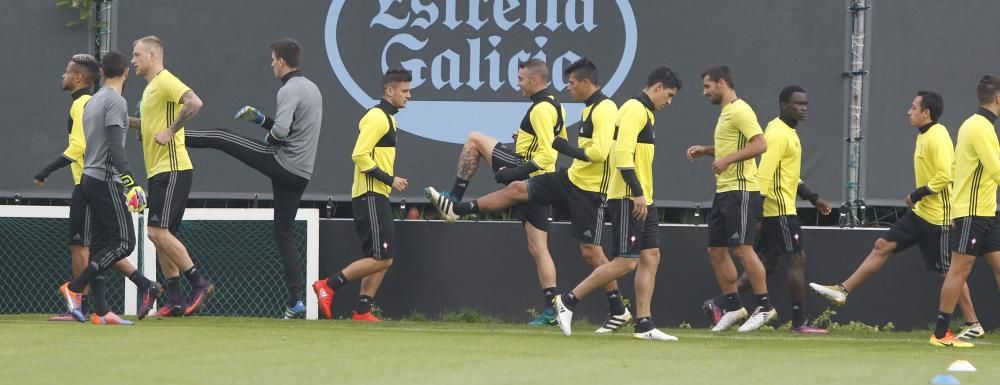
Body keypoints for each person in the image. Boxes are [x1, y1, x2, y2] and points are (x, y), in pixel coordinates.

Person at [426, 58, 630, 330]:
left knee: (476, 141)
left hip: (550, 177)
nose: (518, 83)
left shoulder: (558, 109)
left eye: (521, 79)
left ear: (535, 81)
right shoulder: (562, 107)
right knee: (539, 246)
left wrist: (516, 170)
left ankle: (454, 202)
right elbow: (555, 144)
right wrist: (527, 140)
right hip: (559, 177)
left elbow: (552, 154)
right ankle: (556, 307)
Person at [811, 90, 982, 338]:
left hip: (940, 220)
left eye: (913, 107)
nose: (908, 111)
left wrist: (917, 194)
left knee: (949, 272)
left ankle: (973, 323)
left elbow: (946, 175)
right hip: (920, 215)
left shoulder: (939, 136)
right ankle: (843, 290)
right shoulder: (923, 136)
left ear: (927, 112)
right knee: (882, 245)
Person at [186, 38, 322, 319]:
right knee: (283, 233)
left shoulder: (289, 89)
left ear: (282, 61)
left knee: (222, 137)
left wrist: (269, 135)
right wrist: (260, 119)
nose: (271, 63)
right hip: (301, 174)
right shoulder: (312, 88)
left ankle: (172, 136)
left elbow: (282, 133)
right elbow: (293, 130)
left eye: (273, 59)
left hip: (283, 163)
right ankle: (296, 302)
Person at [552, 66, 682, 340]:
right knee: (626, 262)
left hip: (644, 197)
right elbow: (622, 155)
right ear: (657, 87)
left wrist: (643, 194)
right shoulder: (634, 109)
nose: (669, 102)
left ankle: (644, 324)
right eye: (669, 95)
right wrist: (636, 192)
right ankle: (568, 301)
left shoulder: (646, 113)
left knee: (651, 256)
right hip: (628, 197)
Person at [35, 53, 158, 321]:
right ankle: (75, 288)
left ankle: (102, 311)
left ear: (102, 72)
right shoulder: (115, 101)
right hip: (105, 178)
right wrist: (130, 182)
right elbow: (115, 144)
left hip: (89, 178)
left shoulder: (92, 102)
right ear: (126, 73)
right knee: (125, 242)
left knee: (102, 246)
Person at [311, 68, 411, 322]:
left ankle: (362, 310)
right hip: (370, 196)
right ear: (390, 91)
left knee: (381, 258)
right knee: (382, 258)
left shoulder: (388, 119)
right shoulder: (377, 117)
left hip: (376, 196)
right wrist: (390, 179)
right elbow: (359, 155)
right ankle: (329, 285)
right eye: (405, 91)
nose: (409, 96)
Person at [686, 65, 774, 332]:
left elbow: (760, 144)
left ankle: (765, 307)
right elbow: (732, 146)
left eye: (707, 86)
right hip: (724, 191)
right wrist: (707, 151)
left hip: (742, 189)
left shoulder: (740, 110)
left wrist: (725, 160)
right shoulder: (726, 113)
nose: (704, 92)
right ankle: (734, 306)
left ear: (722, 83)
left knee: (742, 249)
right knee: (716, 249)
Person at [130, 36, 213, 317]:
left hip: (173, 168)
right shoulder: (151, 90)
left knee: (156, 231)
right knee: (162, 236)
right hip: (157, 170)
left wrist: (171, 131)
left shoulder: (165, 80)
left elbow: (195, 103)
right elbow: (149, 124)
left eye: (137, 54)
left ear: (153, 56)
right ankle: (175, 298)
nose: (133, 60)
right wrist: (122, 119)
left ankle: (198, 283)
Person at [928, 75, 1000, 348]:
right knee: (959, 269)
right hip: (972, 212)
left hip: (986, 211)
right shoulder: (979, 127)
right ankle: (940, 333)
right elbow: (996, 170)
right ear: (998, 98)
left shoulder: (980, 126)